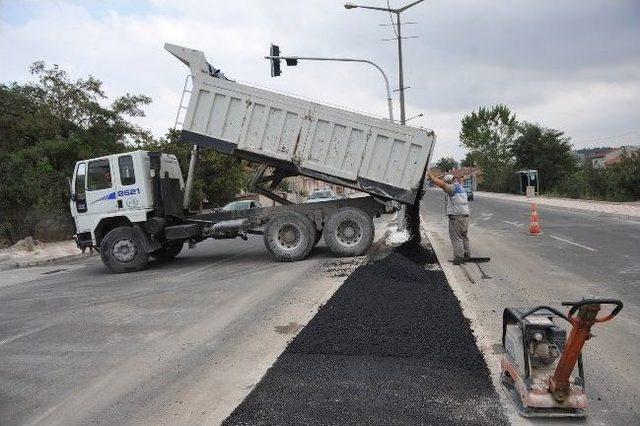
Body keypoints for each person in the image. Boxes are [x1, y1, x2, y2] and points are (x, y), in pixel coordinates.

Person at [427, 171, 470, 264]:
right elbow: (458, 180)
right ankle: (467, 255)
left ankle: (459, 257)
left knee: (456, 237)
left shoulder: (452, 188)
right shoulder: (460, 187)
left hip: (456, 217)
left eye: (446, 182)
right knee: (464, 236)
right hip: (465, 216)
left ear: (449, 182)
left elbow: (442, 184)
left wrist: (432, 177)